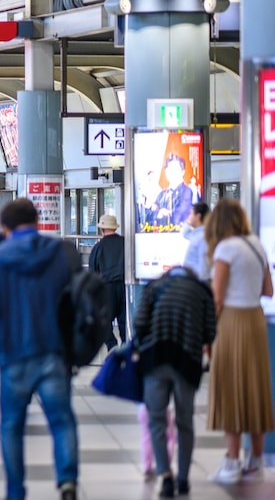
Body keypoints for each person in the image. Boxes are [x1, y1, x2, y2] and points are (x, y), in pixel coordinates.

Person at [0, 199, 79, 500]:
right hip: (54, 350)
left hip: (13, 353)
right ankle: (68, 481)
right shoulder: (59, 253)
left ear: (5, 228)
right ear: (37, 221)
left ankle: (15, 491)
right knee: (62, 420)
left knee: (11, 425)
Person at [204, 198, 275, 483]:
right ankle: (255, 460)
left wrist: (207, 331)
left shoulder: (225, 248)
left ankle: (232, 462)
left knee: (230, 388)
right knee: (255, 388)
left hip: (232, 323)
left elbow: (217, 297)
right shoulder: (255, 245)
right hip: (255, 321)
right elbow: (268, 290)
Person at [134, 264, 216, 497]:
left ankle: (165, 476)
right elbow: (211, 333)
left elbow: (139, 324)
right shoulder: (202, 291)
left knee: (157, 420)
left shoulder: (153, 287)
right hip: (186, 363)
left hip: (156, 360)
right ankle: (183, 479)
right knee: (184, 421)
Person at [88, 214, 127, 350]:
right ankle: (126, 346)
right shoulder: (125, 243)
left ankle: (112, 346)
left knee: (103, 321)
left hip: (106, 289)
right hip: (124, 286)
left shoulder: (98, 248)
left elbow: (92, 272)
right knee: (124, 320)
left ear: (102, 230)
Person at [153, 154, 197, 228]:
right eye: (169, 169)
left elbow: (181, 214)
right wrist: (157, 212)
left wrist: (166, 213)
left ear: (182, 171)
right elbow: (152, 212)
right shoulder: (162, 194)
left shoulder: (187, 191)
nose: (172, 172)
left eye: (175, 168)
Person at [182, 201, 210, 280]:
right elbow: (185, 233)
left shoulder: (203, 237)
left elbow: (203, 267)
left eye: (191, 214)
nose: (189, 217)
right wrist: (188, 222)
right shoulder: (196, 233)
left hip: (195, 283)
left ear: (198, 216)